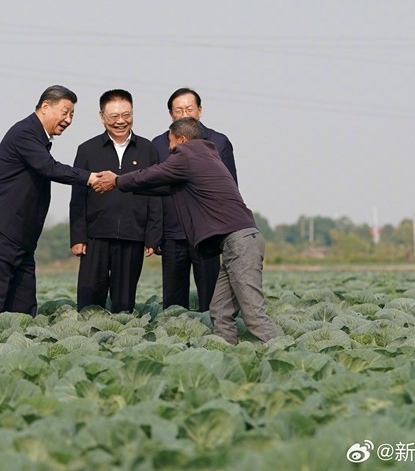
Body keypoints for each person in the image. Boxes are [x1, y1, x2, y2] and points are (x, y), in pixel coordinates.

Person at [92, 117, 279, 345]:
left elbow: (152, 174)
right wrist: (124, 188)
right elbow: (162, 186)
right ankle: (227, 354)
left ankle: (288, 355)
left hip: (240, 243)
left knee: (254, 315)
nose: (169, 151)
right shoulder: (206, 156)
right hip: (239, 242)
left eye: (170, 145)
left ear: (181, 139)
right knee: (220, 311)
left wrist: (118, 180)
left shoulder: (187, 154)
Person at [0, 85, 100, 316]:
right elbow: (49, 168)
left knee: (23, 309)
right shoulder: (25, 133)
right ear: (45, 106)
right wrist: (89, 177)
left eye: (72, 114)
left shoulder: (37, 137)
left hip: (21, 238)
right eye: (65, 112)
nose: (68, 119)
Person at [69, 89, 161, 312]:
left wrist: (152, 236)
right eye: (114, 117)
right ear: (102, 117)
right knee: (90, 299)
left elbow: (157, 195)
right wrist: (78, 236)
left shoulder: (148, 149)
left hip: (133, 235)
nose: (121, 121)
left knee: (124, 302)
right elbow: (77, 197)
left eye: (126, 115)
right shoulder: (87, 149)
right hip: (95, 237)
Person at [152, 88, 237, 312]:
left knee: (211, 300)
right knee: (173, 301)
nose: (184, 114)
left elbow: (229, 190)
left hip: (207, 235)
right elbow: (151, 192)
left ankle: (213, 340)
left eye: (189, 109)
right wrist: (154, 234)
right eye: (178, 110)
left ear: (200, 110)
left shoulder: (219, 142)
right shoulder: (159, 145)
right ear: (170, 114)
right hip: (172, 234)